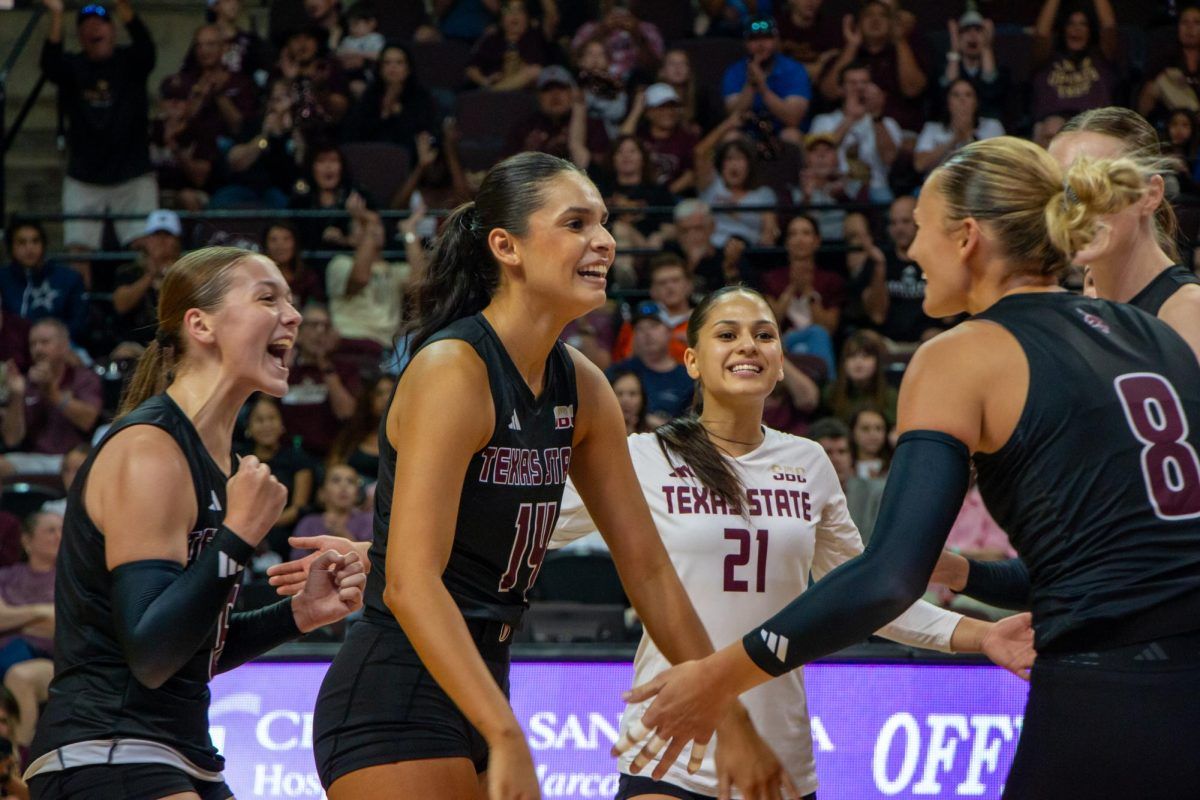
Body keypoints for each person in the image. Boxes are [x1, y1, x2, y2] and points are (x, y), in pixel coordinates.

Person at [613, 137, 1200, 799]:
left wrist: (719, 676)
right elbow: (1122, 563)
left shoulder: (963, 354)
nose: (911, 251)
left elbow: (887, 577)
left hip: (1102, 691)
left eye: (921, 230)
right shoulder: (1150, 333)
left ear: (968, 238)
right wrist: (969, 576)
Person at [306, 152, 790, 800]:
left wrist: (727, 712)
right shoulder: (454, 369)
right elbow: (409, 583)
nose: (605, 241)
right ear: (507, 247)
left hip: (486, 679)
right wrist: (506, 735)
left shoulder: (583, 385)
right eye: (577, 223)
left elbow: (647, 570)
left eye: (605, 222)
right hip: (400, 687)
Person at [551, 286, 1027, 800]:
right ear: (690, 360)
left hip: (781, 753)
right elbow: (534, 525)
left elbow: (868, 597)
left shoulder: (809, 462)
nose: (748, 346)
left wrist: (982, 635)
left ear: (780, 364)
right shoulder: (644, 456)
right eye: (727, 334)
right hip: (673, 742)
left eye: (764, 335)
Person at [25, 247, 367, 799]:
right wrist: (236, 537)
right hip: (106, 751)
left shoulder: (220, 463)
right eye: (267, 297)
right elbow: (152, 654)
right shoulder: (150, 451)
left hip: (176, 753)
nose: (294, 314)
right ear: (200, 324)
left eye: (291, 298)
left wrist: (298, 614)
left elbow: (187, 651)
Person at [1045, 107, 1200, 360]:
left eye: (1098, 186)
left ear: (1151, 195)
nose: (1076, 208)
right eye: (1063, 190)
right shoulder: (1076, 310)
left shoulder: (1187, 311)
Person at [39, 0, 157, 265]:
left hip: (132, 173)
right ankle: (81, 305)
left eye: (101, 23)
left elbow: (146, 46)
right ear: (80, 37)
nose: (94, 29)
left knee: (144, 250)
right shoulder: (73, 66)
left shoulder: (131, 62)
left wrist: (121, 5)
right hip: (84, 176)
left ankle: (146, 305)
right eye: (86, 26)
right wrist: (57, 14)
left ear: (113, 30)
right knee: (78, 252)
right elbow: (50, 64)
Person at [0, 320, 102, 479]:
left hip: (73, 458)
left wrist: (52, 393)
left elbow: (88, 420)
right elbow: (12, 440)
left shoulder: (84, 378)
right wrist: (17, 395)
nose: (38, 349)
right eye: (33, 344)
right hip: (35, 458)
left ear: (64, 346)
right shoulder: (25, 383)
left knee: (79, 465)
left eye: (44, 342)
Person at [809, 62, 901, 204]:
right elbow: (819, 153)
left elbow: (889, 159)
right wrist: (850, 118)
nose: (859, 88)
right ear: (841, 89)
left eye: (864, 82)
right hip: (834, 187)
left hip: (875, 188)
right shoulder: (823, 121)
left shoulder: (886, 123)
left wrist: (876, 116)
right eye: (853, 83)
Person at [721, 16, 811, 141]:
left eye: (766, 38)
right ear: (745, 43)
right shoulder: (734, 72)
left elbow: (793, 118)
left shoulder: (794, 70)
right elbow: (734, 116)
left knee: (792, 135)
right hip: (749, 135)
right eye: (754, 39)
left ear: (776, 40)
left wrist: (763, 89)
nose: (760, 44)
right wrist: (751, 84)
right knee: (730, 137)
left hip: (782, 133)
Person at [0, 220, 88, 346]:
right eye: (22, 242)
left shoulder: (68, 278)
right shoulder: (2, 279)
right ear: (11, 247)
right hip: (11, 349)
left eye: (35, 241)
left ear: (43, 245)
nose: (29, 248)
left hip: (61, 348)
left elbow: (78, 323)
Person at [113, 210, 184, 346]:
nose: (161, 241)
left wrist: (170, 275)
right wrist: (150, 276)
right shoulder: (129, 271)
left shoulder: (186, 272)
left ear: (177, 241)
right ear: (145, 240)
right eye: (156, 235)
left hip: (175, 344)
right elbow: (120, 305)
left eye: (168, 235)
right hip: (135, 345)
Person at [913, 78, 1005, 175]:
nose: (962, 100)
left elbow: (1001, 165)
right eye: (956, 95)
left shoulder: (993, 127)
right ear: (948, 102)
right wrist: (954, 140)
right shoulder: (932, 128)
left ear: (976, 102)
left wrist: (969, 139)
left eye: (968, 95)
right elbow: (919, 165)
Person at [326, 374, 394, 483]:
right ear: (369, 398)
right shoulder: (352, 434)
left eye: (391, 393)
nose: (385, 399)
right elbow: (333, 470)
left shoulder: (409, 437)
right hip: (351, 495)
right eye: (379, 393)